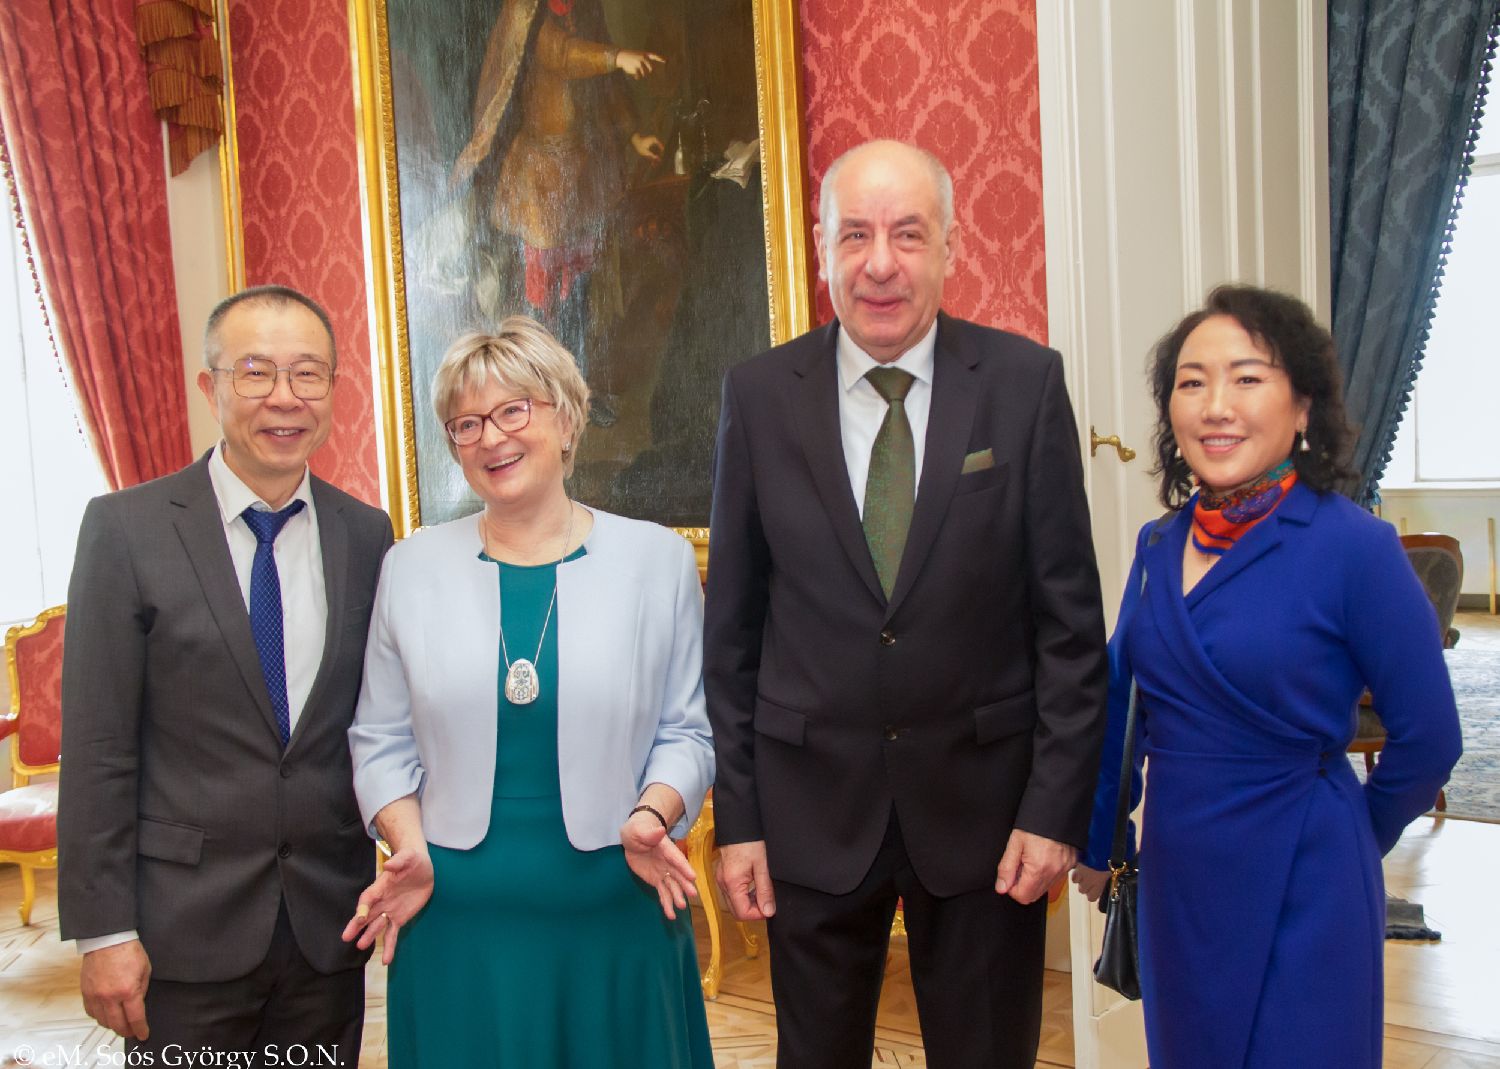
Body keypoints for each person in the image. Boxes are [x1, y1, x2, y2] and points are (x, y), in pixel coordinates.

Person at [703, 139, 1108, 1068]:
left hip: (987, 820)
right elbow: (731, 636)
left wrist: (1054, 811)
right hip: (810, 816)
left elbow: (1071, 632)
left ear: (951, 248)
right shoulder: (758, 398)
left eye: (908, 234)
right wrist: (743, 819)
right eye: (855, 235)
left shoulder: (1024, 385)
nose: (879, 263)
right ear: (822, 250)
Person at [1073, 284, 1463, 1069]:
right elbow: (1121, 704)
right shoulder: (1156, 545)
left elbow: (1430, 739)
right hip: (1180, 880)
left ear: (1303, 407)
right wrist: (1098, 837)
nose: (1216, 405)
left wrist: (1348, 838)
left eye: (1247, 377)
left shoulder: (1356, 547)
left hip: (1306, 881)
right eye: (1192, 382)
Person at [342, 318, 714, 1068]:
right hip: (453, 915)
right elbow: (378, 739)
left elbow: (687, 731)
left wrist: (653, 815)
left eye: (514, 410)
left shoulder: (656, 559)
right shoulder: (412, 567)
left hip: (616, 901)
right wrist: (406, 843)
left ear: (567, 419)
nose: (492, 438)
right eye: (467, 423)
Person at [58, 286, 395, 1061]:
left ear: (333, 389)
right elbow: (100, 747)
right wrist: (104, 932)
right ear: (210, 388)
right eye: (256, 372)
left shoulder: (365, 534)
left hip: (325, 930)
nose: (285, 396)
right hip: (182, 933)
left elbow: (375, 722)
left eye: (307, 373)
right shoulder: (127, 530)